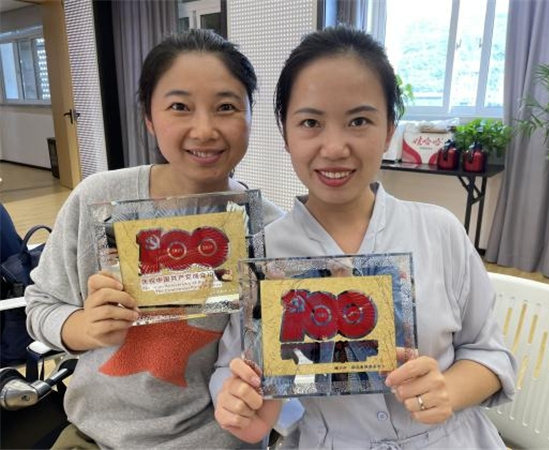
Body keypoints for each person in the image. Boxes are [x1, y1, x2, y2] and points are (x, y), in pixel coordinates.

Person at [215, 26, 517, 449]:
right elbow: (233, 370)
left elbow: (489, 353)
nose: (335, 147)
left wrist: (447, 391)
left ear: (390, 128)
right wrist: (236, 399)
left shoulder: (439, 231)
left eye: (359, 121)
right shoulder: (263, 254)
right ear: (285, 132)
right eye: (311, 122)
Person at [25, 29, 283, 449]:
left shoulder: (273, 231)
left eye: (226, 107)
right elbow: (41, 304)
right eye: (180, 107)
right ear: (149, 117)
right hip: (95, 436)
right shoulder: (98, 198)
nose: (204, 130)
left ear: (251, 115)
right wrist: (82, 327)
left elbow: (284, 358)